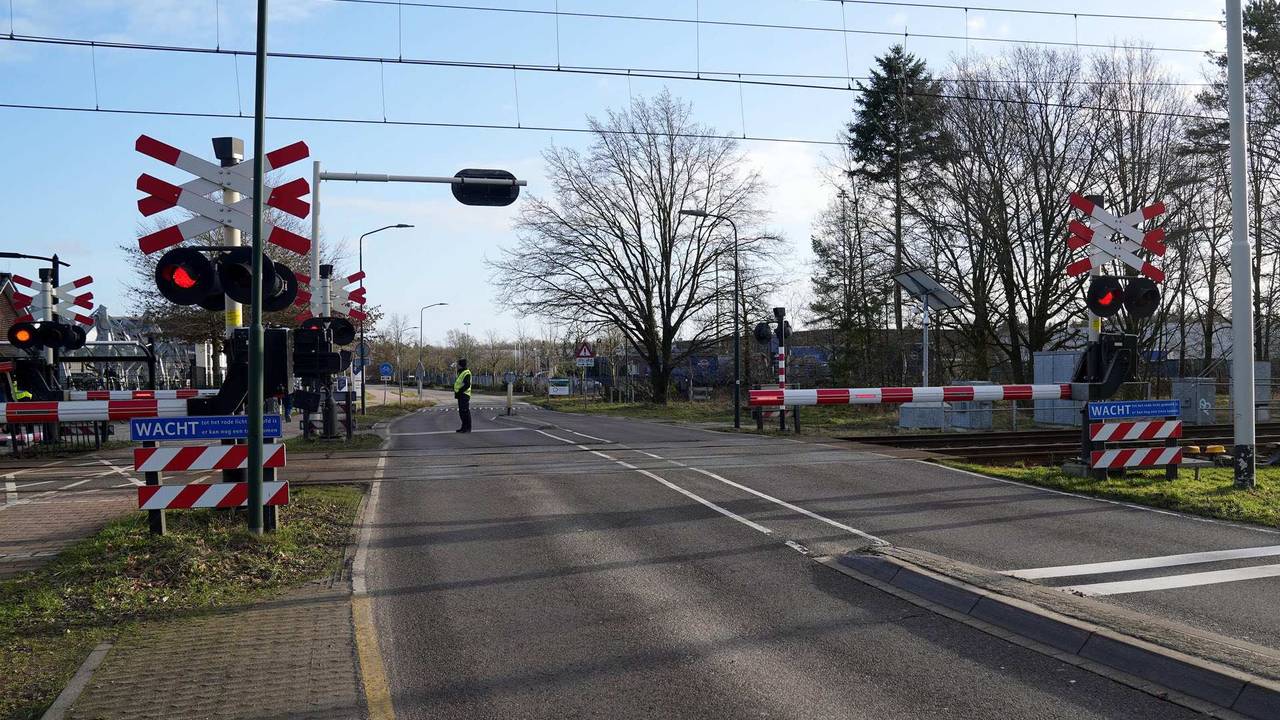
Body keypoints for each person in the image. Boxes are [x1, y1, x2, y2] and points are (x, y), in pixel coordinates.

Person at [454, 358, 472, 433]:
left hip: (464, 395)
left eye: (458, 364)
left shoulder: (466, 373)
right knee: (462, 412)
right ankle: (463, 427)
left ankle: (467, 428)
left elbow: (467, 385)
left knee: (465, 412)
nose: (457, 366)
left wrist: (460, 391)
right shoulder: (461, 372)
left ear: (460, 365)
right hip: (461, 395)